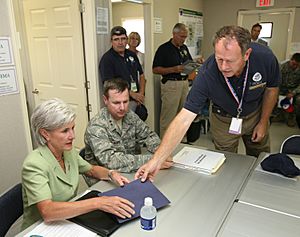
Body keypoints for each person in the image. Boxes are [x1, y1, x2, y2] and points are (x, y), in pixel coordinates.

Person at [135, 25, 280, 182]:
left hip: (255, 115)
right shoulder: (208, 72)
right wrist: (155, 161)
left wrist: (264, 121)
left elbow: (271, 89)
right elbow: (184, 118)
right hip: (223, 119)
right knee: (228, 164)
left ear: (246, 54)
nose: (223, 67)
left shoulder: (265, 58)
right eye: (219, 59)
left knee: (261, 159)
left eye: (230, 61)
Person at [22, 98, 135, 230]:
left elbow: (91, 170)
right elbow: (47, 211)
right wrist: (98, 203)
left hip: (67, 220)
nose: (72, 136)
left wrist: (111, 174)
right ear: (45, 133)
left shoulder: (67, 152)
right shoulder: (34, 164)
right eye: (65, 131)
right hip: (41, 228)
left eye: (72, 128)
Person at [84, 78, 173, 173]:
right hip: (105, 178)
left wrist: (161, 153)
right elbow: (111, 162)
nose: (122, 108)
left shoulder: (129, 116)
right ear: (105, 100)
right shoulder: (96, 126)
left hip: (132, 170)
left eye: (125, 102)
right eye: (116, 103)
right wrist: (153, 160)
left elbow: (148, 135)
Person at [152, 23, 193, 137]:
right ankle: (163, 144)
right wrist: (173, 69)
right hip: (171, 85)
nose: (183, 39)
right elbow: (155, 69)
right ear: (174, 34)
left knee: (182, 116)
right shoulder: (163, 49)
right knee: (168, 117)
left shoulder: (184, 48)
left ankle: (180, 141)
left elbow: (188, 63)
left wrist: (195, 63)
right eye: (181, 36)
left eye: (185, 37)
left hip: (184, 84)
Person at [99, 26, 146, 114]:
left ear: (126, 40)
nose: (120, 43)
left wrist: (141, 94)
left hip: (137, 101)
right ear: (111, 41)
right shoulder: (107, 59)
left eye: (123, 39)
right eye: (116, 39)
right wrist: (132, 94)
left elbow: (142, 75)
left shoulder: (132, 55)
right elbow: (109, 86)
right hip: (120, 103)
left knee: (138, 124)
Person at [278, 53, 300, 126]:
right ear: (291, 60)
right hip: (282, 87)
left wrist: (293, 92)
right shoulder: (282, 66)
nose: (295, 66)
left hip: (295, 89)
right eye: (293, 64)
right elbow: (277, 80)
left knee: (298, 100)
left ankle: (291, 117)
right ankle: (279, 115)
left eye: (297, 65)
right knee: (273, 96)